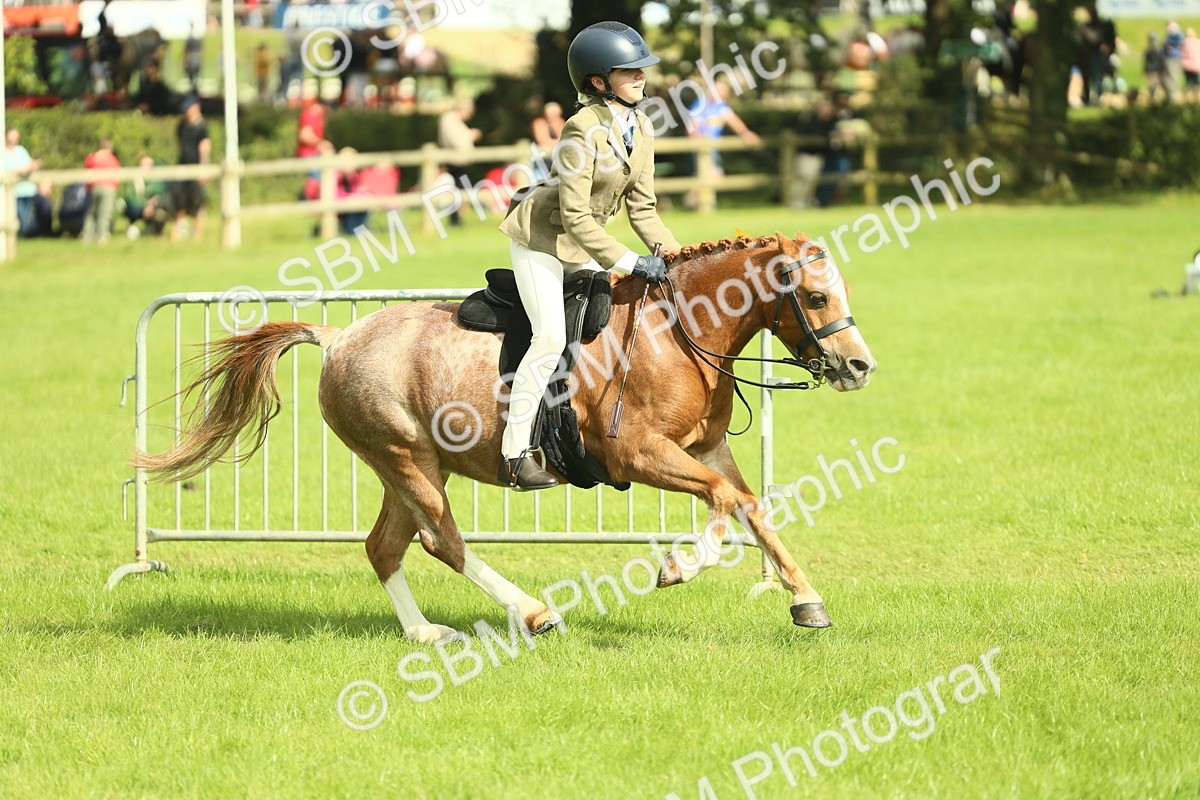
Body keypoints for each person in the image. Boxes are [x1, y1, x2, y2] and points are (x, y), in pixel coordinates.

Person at [495, 21, 681, 491]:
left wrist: (678, 259)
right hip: (544, 241)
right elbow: (576, 217)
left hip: (587, 244)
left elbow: (643, 209)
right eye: (629, 70)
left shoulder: (641, 126)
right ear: (599, 81)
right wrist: (633, 262)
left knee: (612, 326)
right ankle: (514, 455)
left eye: (642, 69)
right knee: (549, 338)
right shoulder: (580, 129)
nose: (641, 76)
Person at [685, 79, 760, 209]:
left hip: (712, 147)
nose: (725, 94)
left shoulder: (721, 106)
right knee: (713, 175)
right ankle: (702, 204)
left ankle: (694, 201)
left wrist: (746, 133)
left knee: (710, 175)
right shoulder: (699, 105)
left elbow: (733, 121)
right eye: (722, 91)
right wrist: (696, 141)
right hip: (702, 147)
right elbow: (693, 128)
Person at [437, 97, 482, 227]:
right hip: (455, 161)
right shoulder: (449, 120)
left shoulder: (452, 120)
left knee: (459, 190)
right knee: (458, 190)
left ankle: (456, 219)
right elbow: (457, 141)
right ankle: (455, 220)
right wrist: (471, 135)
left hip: (458, 161)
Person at [172, 96, 211, 242]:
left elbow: (205, 148)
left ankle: (198, 231)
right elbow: (179, 145)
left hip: (196, 168)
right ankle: (178, 230)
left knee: (197, 201)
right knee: (180, 198)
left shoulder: (202, 127)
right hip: (183, 167)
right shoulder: (182, 126)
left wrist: (203, 169)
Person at [3, 128, 42, 238]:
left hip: (27, 190)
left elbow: (30, 165)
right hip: (13, 192)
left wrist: (32, 166)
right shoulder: (3, 152)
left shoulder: (21, 150)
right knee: (18, 217)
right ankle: (16, 238)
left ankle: (20, 237)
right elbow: (9, 171)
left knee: (25, 220)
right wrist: (23, 169)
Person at [82, 137, 121, 244]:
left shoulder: (92, 157)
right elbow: (116, 175)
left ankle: (87, 235)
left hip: (93, 187)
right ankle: (101, 236)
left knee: (91, 213)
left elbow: (87, 172)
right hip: (108, 188)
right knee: (104, 213)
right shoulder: (111, 159)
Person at [530, 101, 565, 182]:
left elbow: (563, 138)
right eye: (550, 114)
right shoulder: (539, 123)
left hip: (556, 158)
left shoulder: (560, 121)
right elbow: (543, 140)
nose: (552, 117)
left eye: (556, 115)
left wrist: (555, 125)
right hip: (542, 158)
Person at [1164, 21, 1185, 103]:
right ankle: (1171, 97)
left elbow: (1178, 43)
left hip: (1174, 58)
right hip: (1169, 58)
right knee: (1169, 78)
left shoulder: (1177, 35)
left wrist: (1169, 44)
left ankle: (1174, 98)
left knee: (1173, 77)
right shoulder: (1170, 35)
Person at [1144, 33, 1166, 103]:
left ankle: (1154, 99)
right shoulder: (1159, 50)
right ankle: (1155, 99)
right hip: (1155, 70)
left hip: (1153, 70)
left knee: (1154, 85)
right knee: (1155, 85)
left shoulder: (1148, 50)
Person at [1181, 27, 1200, 102]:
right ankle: (1197, 96)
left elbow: (1181, 53)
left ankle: (1187, 97)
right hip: (1195, 65)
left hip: (1186, 65)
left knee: (1188, 81)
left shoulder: (1183, 43)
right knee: (1196, 81)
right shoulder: (1197, 42)